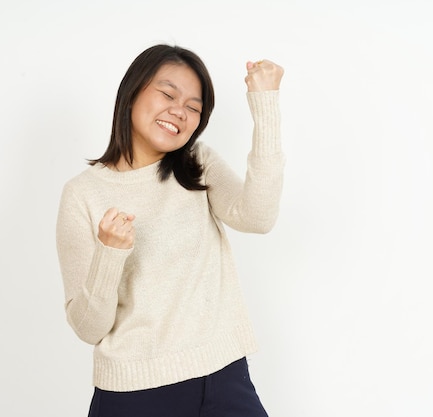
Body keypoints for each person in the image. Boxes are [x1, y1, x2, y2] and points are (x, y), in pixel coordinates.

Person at [56, 44, 285, 417]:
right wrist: (110, 254)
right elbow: (88, 328)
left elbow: (257, 217)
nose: (179, 111)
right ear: (132, 92)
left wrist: (266, 104)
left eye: (194, 107)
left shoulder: (197, 164)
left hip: (225, 376)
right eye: (167, 94)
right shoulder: (83, 194)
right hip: (136, 395)